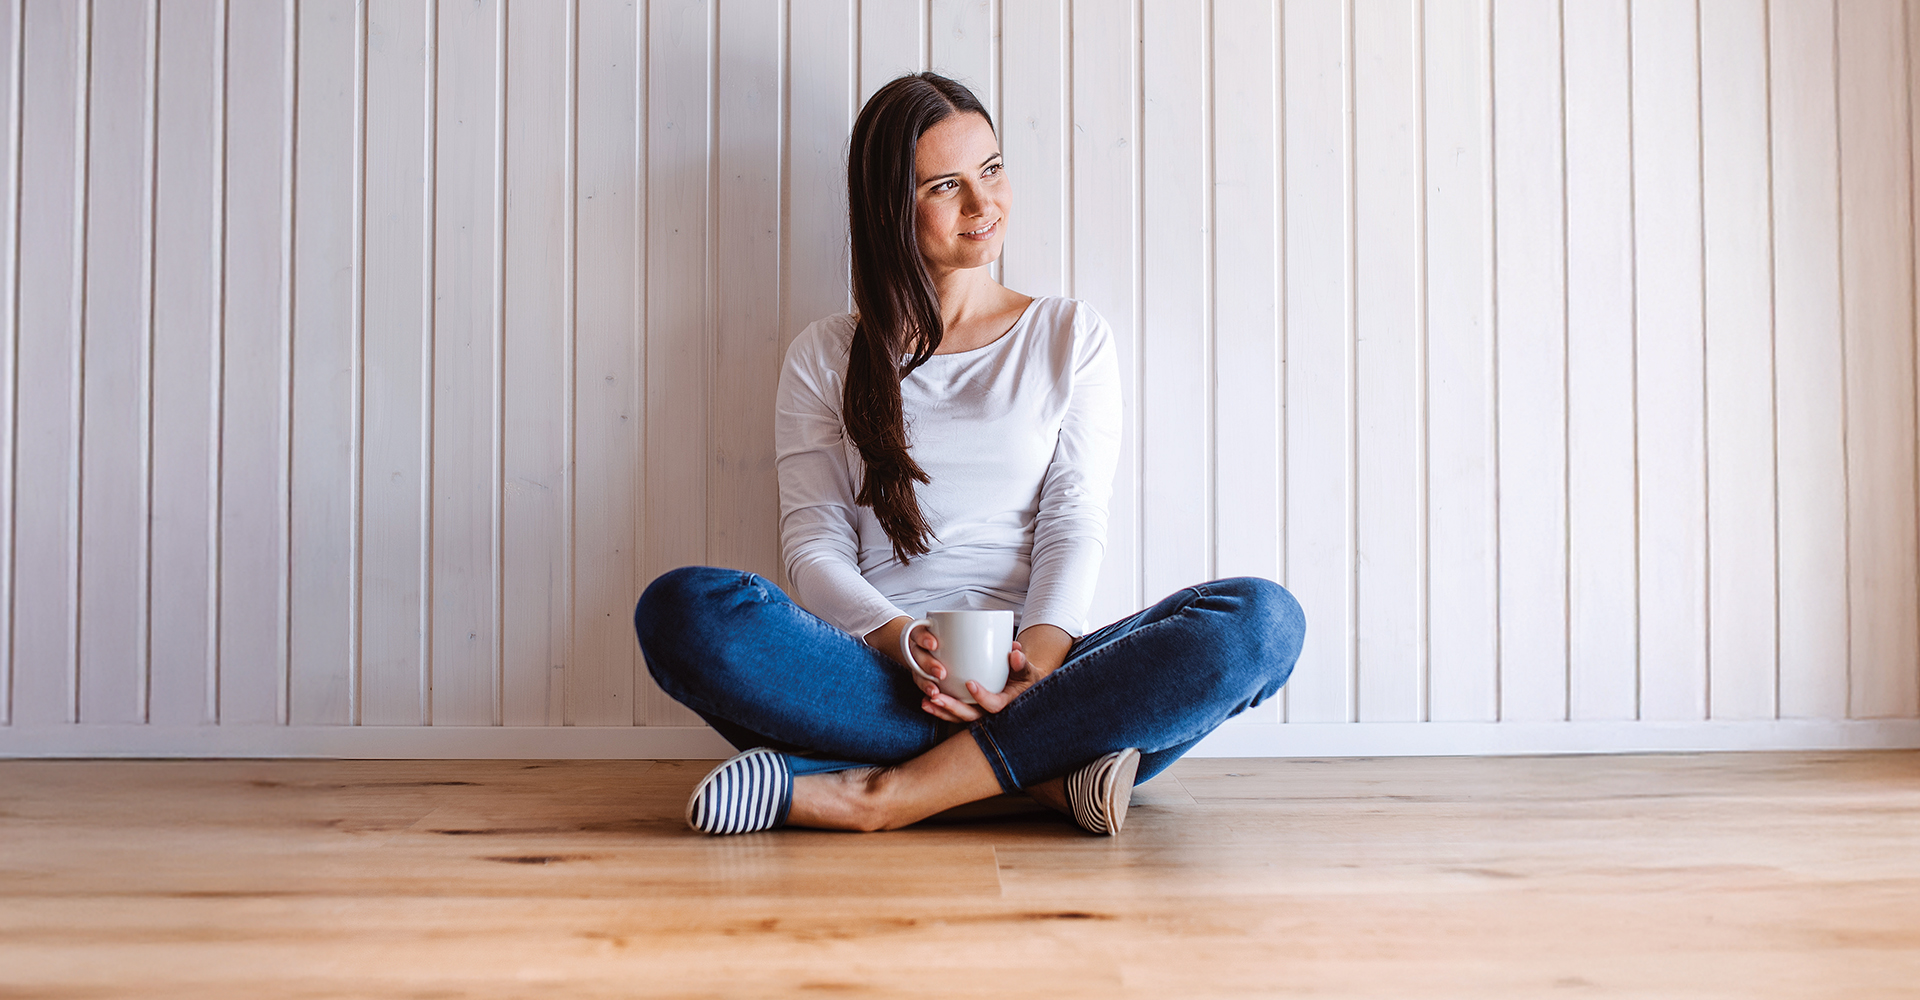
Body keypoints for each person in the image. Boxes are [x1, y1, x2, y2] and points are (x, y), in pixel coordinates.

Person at [635, 72, 1304, 837]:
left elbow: (1073, 518)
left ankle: (881, 795)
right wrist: (901, 642)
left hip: (1045, 673)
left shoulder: (1068, 336)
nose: (984, 206)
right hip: (879, 674)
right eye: (946, 186)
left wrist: (1042, 662)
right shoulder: (825, 356)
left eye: (991, 170)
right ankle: (1049, 777)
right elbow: (814, 545)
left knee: (1262, 621)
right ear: (891, 207)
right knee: (684, 610)